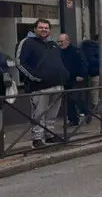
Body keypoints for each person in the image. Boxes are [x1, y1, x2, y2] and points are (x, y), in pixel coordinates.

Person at [15, 19, 68, 147]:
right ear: (35, 29)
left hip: (57, 84)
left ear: (50, 30)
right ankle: (37, 138)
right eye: (41, 27)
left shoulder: (53, 44)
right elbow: (20, 63)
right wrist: (35, 78)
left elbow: (60, 62)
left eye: (46, 28)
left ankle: (50, 135)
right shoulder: (27, 42)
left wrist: (65, 75)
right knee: (39, 113)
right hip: (39, 86)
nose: (44, 30)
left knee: (52, 114)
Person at [58, 33, 88, 126]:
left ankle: (86, 113)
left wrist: (81, 75)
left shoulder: (76, 51)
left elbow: (83, 63)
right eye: (58, 41)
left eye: (61, 41)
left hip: (76, 79)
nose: (60, 43)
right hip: (65, 79)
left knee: (76, 98)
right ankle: (73, 119)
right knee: (67, 101)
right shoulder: (59, 52)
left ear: (67, 41)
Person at [81, 35, 101, 124]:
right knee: (95, 95)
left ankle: (87, 112)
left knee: (85, 95)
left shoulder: (83, 48)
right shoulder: (97, 48)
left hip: (84, 75)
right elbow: (98, 61)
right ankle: (94, 112)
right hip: (95, 74)